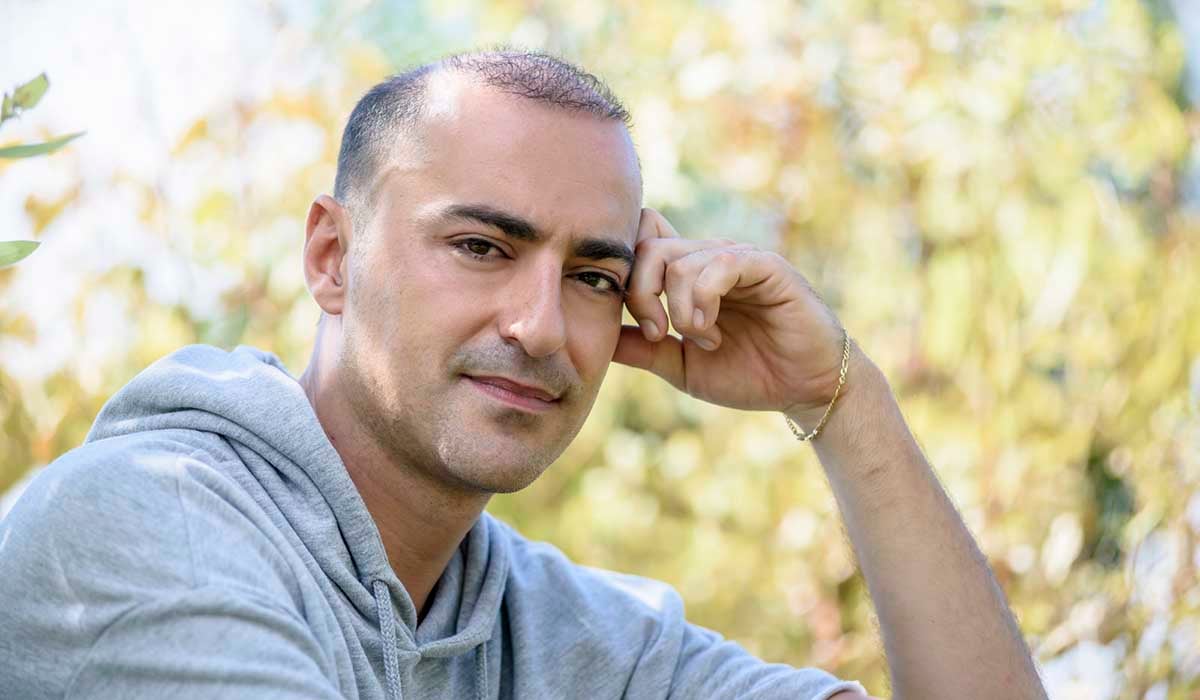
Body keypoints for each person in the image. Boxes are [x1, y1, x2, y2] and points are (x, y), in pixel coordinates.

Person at [0, 50, 1047, 700]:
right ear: (330, 256)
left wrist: (839, 401)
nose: (542, 327)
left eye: (593, 275)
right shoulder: (146, 528)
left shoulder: (571, 636)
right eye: (481, 247)